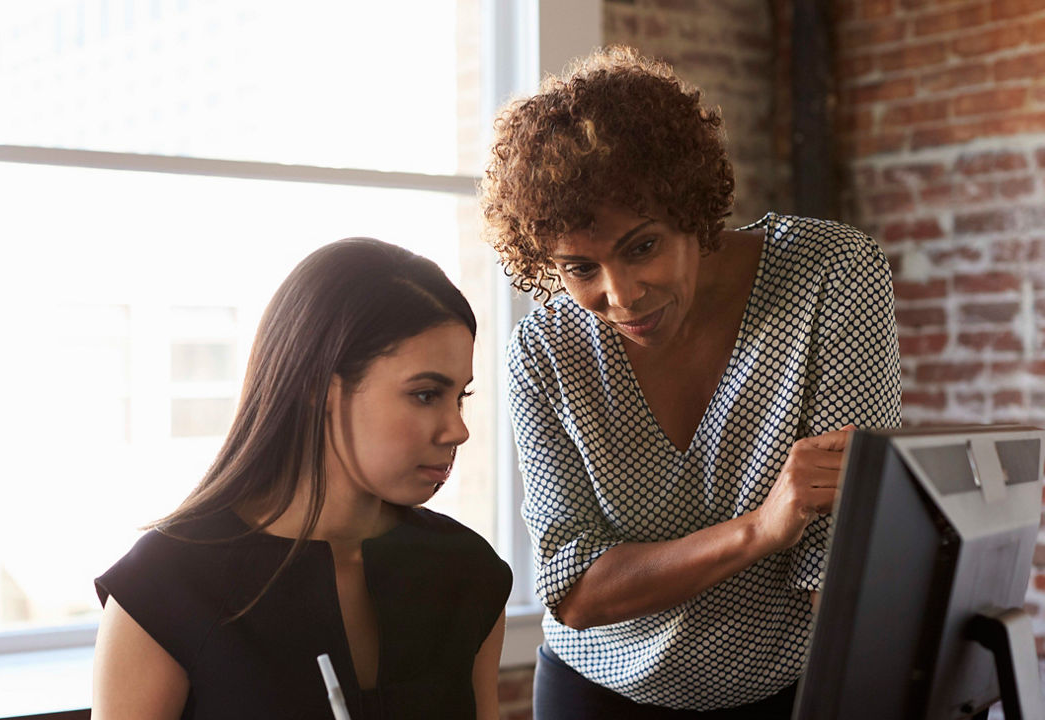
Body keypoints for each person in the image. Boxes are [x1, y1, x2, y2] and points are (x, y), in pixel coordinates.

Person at [479, 46, 902, 719]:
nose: (620, 295)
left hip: (779, 687)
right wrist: (760, 529)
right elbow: (575, 589)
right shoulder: (545, 351)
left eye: (642, 246)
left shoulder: (828, 276)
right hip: (598, 689)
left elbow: (838, 552)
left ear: (693, 208)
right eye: (580, 268)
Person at [91, 238, 512, 720]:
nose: (458, 429)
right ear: (317, 386)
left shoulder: (469, 573)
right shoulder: (163, 587)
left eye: (460, 397)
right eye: (425, 394)